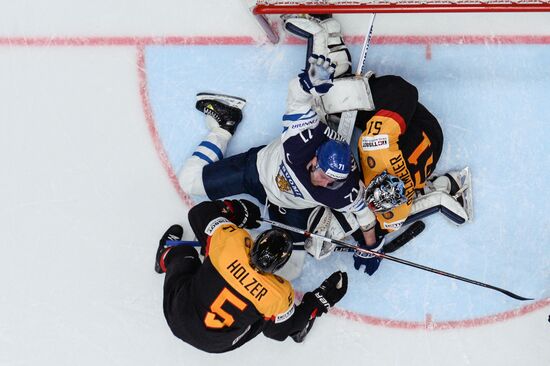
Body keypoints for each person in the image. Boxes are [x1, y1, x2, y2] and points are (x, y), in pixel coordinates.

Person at [283, 14, 473, 275]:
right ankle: (327, 33)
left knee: (339, 111)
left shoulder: (393, 215)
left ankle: (330, 42)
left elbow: (438, 202)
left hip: (427, 148)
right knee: (336, 104)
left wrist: (451, 186)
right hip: (417, 122)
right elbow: (404, 92)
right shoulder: (375, 150)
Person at [177, 56, 378, 278]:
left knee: (290, 272)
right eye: (323, 174)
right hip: (256, 171)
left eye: (333, 181)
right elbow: (297, 98)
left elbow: (365, 217)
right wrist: (308, 84)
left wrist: (371, 247)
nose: (326, 183)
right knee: (189, 181)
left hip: (292, 209)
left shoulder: (343, 190)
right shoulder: (302, 136)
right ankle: (226, 124)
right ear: (315, 158)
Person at [154, 198, 348, 353]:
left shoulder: (231, 241)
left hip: (179, 315)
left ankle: (164, 256)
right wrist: (316, 303)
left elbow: (198, 214)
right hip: (217, 344)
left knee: (183, 253)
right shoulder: (279, 295)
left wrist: (235, 210)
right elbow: (277, 333)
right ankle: (298, 329)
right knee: (265, 318)